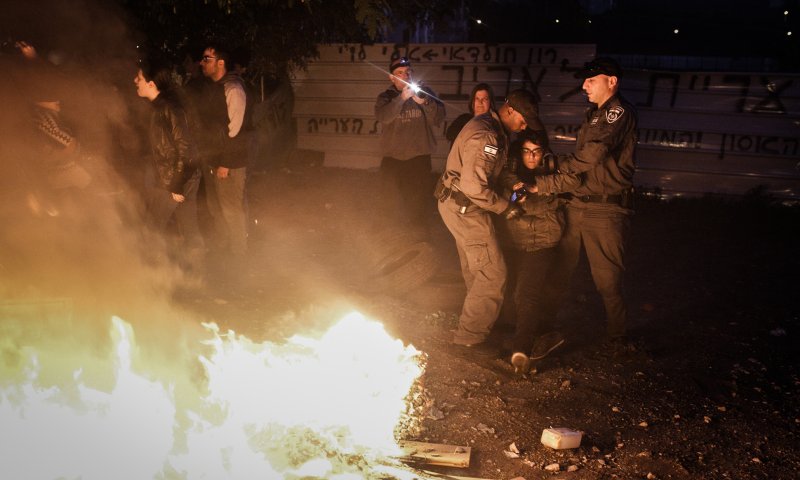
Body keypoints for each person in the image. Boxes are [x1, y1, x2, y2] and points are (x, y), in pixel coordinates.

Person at [528, 57, 637, 353]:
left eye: (591, 80)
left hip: (605, 210)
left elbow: (590, 157)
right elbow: (579, 175)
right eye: (584, 80)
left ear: (611, 81)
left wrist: (556, 164)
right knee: (559, 270)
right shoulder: (593, 115)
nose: (583, 85)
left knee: (607, 280)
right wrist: (542, 185)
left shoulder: (618, 112)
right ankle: (541, 329)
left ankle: (618, 337)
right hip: (577, 205)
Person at [434, 89, 542, 352]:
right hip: (466, 208)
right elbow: (474, 186)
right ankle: (470, 337)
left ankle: (476, 324)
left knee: (477, 268)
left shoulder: (493, 128)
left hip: (457, 204)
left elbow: (488, 172)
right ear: (511, 111)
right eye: (523, 120)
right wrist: (505, 207)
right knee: (492, 274)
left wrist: (511, 185)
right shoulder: (487, 135)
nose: (524, 127)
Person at [496, 132, 579, 373]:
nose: (531, 156)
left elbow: (569, 184)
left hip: (542, 241)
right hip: (513, 241)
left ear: (544, 152)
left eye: (537, 151)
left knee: (527, 293)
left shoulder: (552, 169)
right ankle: (514, 334)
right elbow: (504, 183)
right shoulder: (509, 172)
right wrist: (515, 191)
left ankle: (521, 350)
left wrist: (535, 191)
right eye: (526, 151)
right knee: (508, 288)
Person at [134, 59, 204, 262]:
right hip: (182, 176)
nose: (134, 80)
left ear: (151, 84)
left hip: (175, 178)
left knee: (152, 227)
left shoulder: (169, 108)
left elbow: (186, 148)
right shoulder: (162, 107)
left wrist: (177, 185)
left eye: (139, 78)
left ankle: (150, 275)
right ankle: (195, 273)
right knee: (189, 226)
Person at [374, 56, 445, 234]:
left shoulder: (424, 93)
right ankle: (390, 235)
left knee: (418, 201)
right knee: (389, 200)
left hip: (419, 158)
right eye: (399, 73)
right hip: (393, 159)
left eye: (407, 72)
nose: (405, 76)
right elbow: (384, 117)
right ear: (391, 77)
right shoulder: (385, 97)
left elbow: (439, 118)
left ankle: (418, 235)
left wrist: (425, 102)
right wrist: (401, 99)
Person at [197, 44, 251, 262]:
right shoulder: (214, 87)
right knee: (215, 207)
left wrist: (225, 164)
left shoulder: (233, 89)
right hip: (214, 160)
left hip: (229, 163)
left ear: (220, 62)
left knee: (231, 210)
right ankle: (223, 250)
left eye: (206, 58)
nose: (201, 62)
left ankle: (239, 255)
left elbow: (236, 130)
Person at [445, 83, 495, 149]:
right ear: (472, 101)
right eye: (477, 99)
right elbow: (449, 135)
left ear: (490, 102)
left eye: (484, 99)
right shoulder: (463, 120)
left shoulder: (495, 125)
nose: (480, 102)